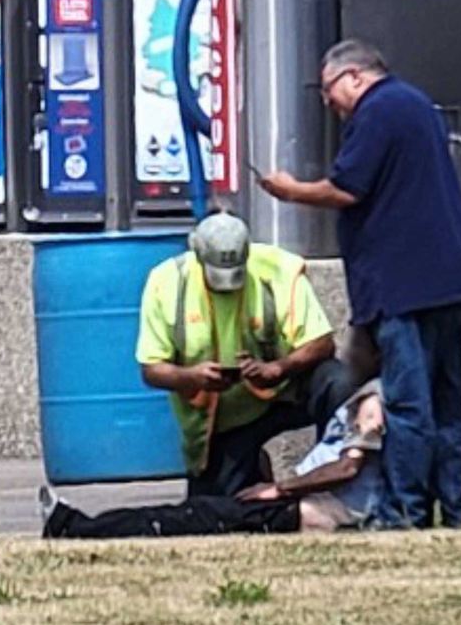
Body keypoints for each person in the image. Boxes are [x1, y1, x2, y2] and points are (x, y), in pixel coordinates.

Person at [261, 39, 461, 531]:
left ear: (356, 77)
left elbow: (347, 187)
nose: (329, 103)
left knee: (406, 403)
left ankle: (402, 513)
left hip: (407, 286)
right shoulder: (417, 106)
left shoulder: (377, 110)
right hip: (456, 281)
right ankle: (452, 509)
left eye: (329, 89)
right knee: (446, 402)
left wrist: (289, 191)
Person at [39, 330, 385, 539]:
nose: (348, 353)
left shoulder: (373, 402)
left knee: (192, 519)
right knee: (195, 513)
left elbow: (347, 468)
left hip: (308, 511)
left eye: (357, 345)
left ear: (378, 354)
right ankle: (73, 524)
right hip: (293, 501)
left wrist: (279, 488)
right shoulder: (368, 396)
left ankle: (74, 527)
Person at [135, 211, 353, 499]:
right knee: (220, 507)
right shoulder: (167, 283)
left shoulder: (276, 270)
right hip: (227, 418)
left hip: (286, 391)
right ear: (197, 255)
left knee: (338, 381)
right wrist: (192, 376)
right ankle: (255, 469)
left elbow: (323, 343)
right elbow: (151, 369)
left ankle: (334, 480)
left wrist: (278, 368)